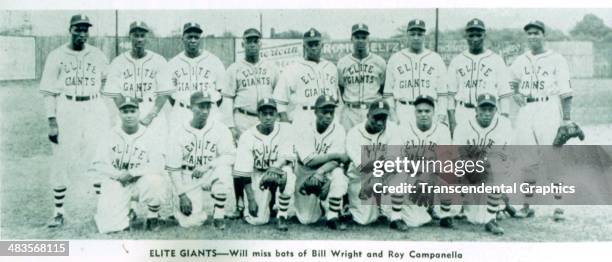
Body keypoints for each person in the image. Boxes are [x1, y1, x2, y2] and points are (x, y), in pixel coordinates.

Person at [39, 14, 111, 228]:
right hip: (67, 107)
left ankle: (104, 208)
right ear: (69, 29)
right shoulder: (56, 55)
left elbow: (107, 79)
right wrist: (52, 121)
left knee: (98, 157)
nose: (82, 33)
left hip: (94, 107)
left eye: (85, 29)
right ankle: (58, 212)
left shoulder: (97, 54)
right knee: (61, 159)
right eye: (78, 29)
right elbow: (48, 91)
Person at [510, 20, 574, 221]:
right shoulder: (521, 60)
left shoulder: (557, 59)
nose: (532, 36)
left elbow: (566, 92)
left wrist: (566, 120)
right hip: (527, 109)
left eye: (536, 32)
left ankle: (559, 206)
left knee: (552, 157)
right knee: (527, 160)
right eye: (529, 33)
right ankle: (527, 206)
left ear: (543, 35)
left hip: (548, 108)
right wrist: (515, 94)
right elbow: (511, 82)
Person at [222, 28, 280, 218]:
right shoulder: (234, 68)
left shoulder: (271, 67)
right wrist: (231, 126)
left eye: (256, 40)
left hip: (266, 118)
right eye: (249, 41)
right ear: (243, 44)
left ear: (260, 43)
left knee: (268, 159)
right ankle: (240, 204)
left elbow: (278, 96)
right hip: (243, 117)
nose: (252, 44)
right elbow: (228, 98)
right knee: (241, 162)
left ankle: (270, 204)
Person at [92, 97, 166, 233]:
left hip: (141, 183)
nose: (129, 115)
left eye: (132, 111)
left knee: (156, 181)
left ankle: (153, 216)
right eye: (125, 111)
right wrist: (118, 175)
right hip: (118, 182)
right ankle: (123, 212)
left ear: (139, 112)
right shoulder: (110, 134)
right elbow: (98, 163)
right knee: (109, 227)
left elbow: (158, 164)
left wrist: (133, 173)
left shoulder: (150, 135)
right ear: (119, 114)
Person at [165, 91, 236, 230]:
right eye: (200, 106)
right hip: (187, 176)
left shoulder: (220, 129)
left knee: (223, 170)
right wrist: (182, 195)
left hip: (209, 173)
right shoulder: (178, 132)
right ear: (190, 107)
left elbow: (230, 155)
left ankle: (219, 215)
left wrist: (209, 165)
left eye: (207, 107)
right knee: (190, 223)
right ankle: (184, 209)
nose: (204, 111)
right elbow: (173, 168)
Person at [453, 93, 513, 235]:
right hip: (469, 174)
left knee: (501, 167)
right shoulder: (463, 127)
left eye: (490, 110)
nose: (486, 113)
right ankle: (463, 204)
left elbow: (504, 158)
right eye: (483, 109)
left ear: (495, 110)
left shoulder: (504, 125)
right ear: (476, 110)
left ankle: (492, 218)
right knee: (474, 219)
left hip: (490, 173)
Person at [233, 98, 297, 231]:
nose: (268, 117)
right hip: (257, 175)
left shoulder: (286, 129)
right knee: (258, 220)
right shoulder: (247, 136)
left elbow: (286, 157)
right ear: (258, 115)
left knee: (288, 174)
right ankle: (267, 203)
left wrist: (272, 169)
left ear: (276, 115)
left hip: (277, 170)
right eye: (264, 113)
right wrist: (251, 200)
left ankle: (282, 215)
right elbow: (244, 173)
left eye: (271, 113)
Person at [103, 21, 173, 139]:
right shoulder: (118, 62)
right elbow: (115, 94)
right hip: (127, 108)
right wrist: (128, 114)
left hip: (152, 108)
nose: (139, 39)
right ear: (130, 36)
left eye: (142, 35)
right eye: (136, 35)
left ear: (147, 37)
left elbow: (164, 93)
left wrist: (150, 116)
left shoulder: (159, 60)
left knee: (156, 150)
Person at [398, 95, 458, 228]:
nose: (423, 114)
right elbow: (398, 159)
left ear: (433, 112)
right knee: (416, 221)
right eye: (419, 111)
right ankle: (421, 209)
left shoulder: (442, 130)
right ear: (414, 112)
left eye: (427, 111)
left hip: (432, 177)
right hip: (411, 179)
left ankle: (444, 215)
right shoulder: (403, 129)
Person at [446, 18, 513, 134]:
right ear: (466, 36)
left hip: (488, 113)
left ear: (484, 35)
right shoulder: (457, 61)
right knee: (463, 151)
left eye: (478, 35)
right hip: (463, 112)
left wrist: (504, 120)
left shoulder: (496, 60)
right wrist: (452, 122)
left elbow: (504, 95)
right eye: (471, 35)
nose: (475, 39)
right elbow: (450, 95)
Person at [293, 95, 350, 230]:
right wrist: (335, 155)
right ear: (315, 111)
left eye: (331, 112)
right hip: (305, 171)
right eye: (324, 112)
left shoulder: (339, 129)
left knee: (339, 176)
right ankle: (320, 205)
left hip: (326, 170)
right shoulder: (304, 128)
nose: (329, 116)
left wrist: (321, 172)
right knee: (307, 219)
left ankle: (333, 215)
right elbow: (309, 161)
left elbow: (337, 162)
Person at [384, 19, 448, 126]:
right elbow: (388, 93)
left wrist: (441, 115)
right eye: (413, 34)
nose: (416, 37)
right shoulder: (395, 59)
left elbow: (442, 93)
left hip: (428, 110)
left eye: (420, 34)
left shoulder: (436, 58)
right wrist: (393, 115)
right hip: (404, 109)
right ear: (407, 35)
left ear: (424, 36)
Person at [273, 28, 339, 128]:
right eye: (310, 44)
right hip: (304, 116)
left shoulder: (331, 67)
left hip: (328, 115)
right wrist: (284, 120)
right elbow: (279, 98)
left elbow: (336, 96)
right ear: (304, 46)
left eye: (316, 44)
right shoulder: (292, 68)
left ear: (322, 45)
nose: (313, 47)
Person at [167, 22, 226, 127]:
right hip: (182, 111)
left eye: (196, 37)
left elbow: (221, 91)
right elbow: (170, 95)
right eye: (189, 37)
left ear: (200, 39)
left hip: (207, 112)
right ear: (182, 39)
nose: (193, 40)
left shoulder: (214, 61)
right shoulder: (173, 63)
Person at [337, 23, 386, 131]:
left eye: (363, 37)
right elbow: (341, 88)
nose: (360, 40)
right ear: (351, 39)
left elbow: (383, 88)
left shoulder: (379, 62)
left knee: (371, 145)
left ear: (368, 39)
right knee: (349, 144)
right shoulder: (342, 63)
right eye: (357, 37)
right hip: (350, 112)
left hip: (372, 110)